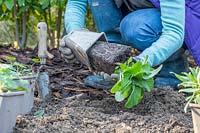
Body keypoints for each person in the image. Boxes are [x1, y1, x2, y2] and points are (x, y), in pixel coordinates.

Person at [59, 0, 200, 89]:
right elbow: (77, 3)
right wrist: (75, 36)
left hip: (183, 20)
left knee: (133, 28)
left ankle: (173, 71)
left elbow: (174, 33)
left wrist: (141, 62)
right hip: (139, 11)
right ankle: (112, 67)